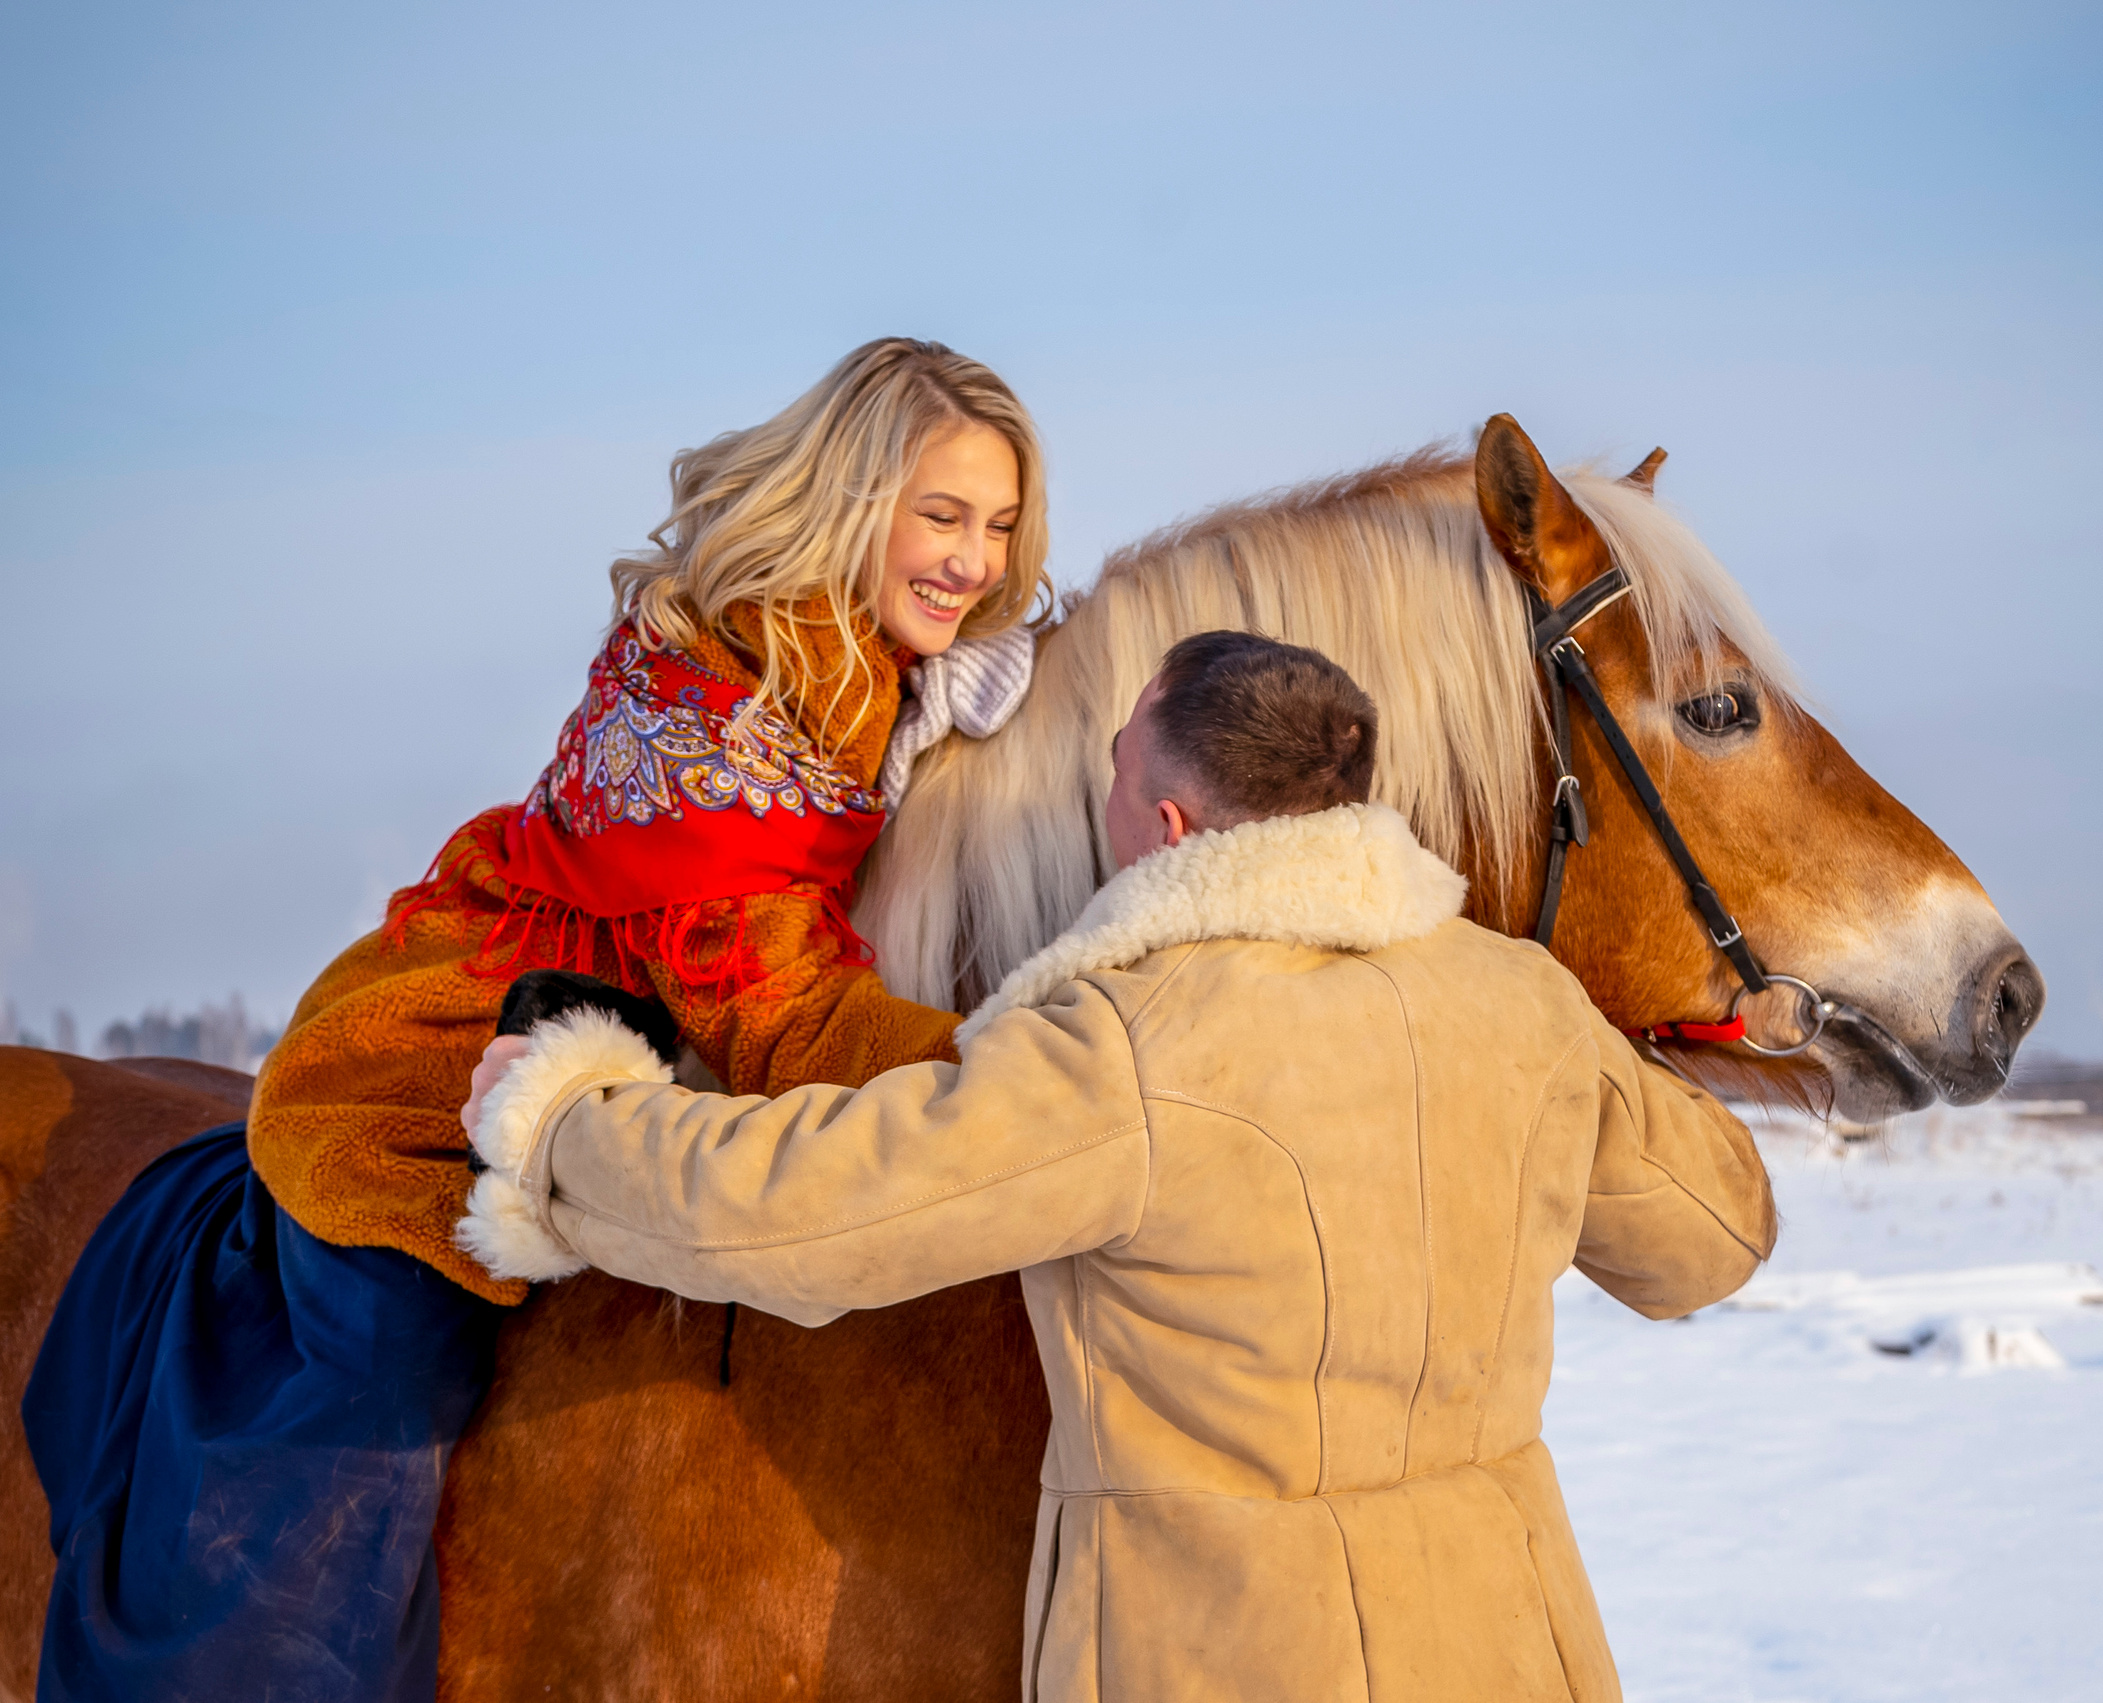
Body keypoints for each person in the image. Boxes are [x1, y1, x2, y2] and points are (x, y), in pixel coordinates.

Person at [459, 630, 1778, 1703]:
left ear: (1168, 823)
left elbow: (800, 1214)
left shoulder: (1128, 1047)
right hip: (1511, 1655)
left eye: (1111, 773)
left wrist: (566, 1120)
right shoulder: (1523, 1003)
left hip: (1227, 1661)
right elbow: (1709, 1243)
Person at [22, 338, 1052, 1701]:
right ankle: (248, 1661)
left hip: (628, 1046)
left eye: (999, 526)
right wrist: (1039, 1071)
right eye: (942, 516)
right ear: (854, 505)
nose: (972, 561)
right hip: (457, 1048)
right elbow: (786, 1021)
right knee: (386, 1370)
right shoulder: (720, 707)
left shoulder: (872, 671)